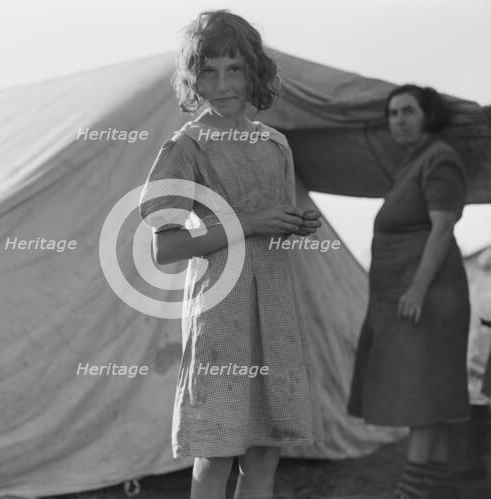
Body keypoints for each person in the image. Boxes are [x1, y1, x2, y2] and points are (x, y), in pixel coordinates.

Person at [139, 10, 324, 499]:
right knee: (217, 449)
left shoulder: (275, 143)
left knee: (264, 451)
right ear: (193, 78)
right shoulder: (187, 145)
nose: (222, 84)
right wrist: (247, 223)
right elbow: (166, 248)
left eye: (234, 69)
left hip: (276, 310)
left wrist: (295, 225)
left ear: (254, 72)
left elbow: (272, 222)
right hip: (221, 310)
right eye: (209, 71)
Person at [347, 84, 471, 499]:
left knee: (425, 391)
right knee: (422, 388)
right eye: (393, 113)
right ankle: (432, 487)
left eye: (407, 112)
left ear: (427, 116)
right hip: (404, 294)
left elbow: (442, 228)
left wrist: (418, 289)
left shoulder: (440, 159)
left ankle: (412, 490)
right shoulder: (412, 163)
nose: (397, 120)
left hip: (430, 296)